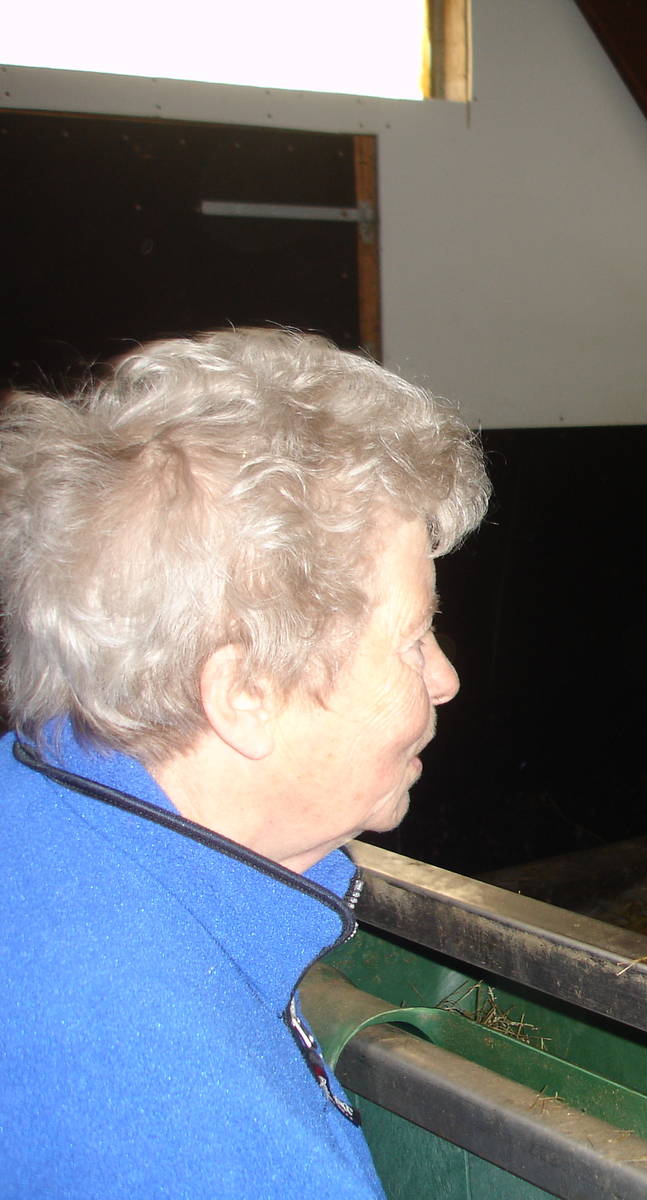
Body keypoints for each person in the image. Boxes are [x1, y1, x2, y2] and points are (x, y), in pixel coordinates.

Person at [0, 328, 489, 1196]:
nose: (445, 679)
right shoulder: (191, 1127)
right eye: (413, 638)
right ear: (246, 693)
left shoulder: (32, 803)